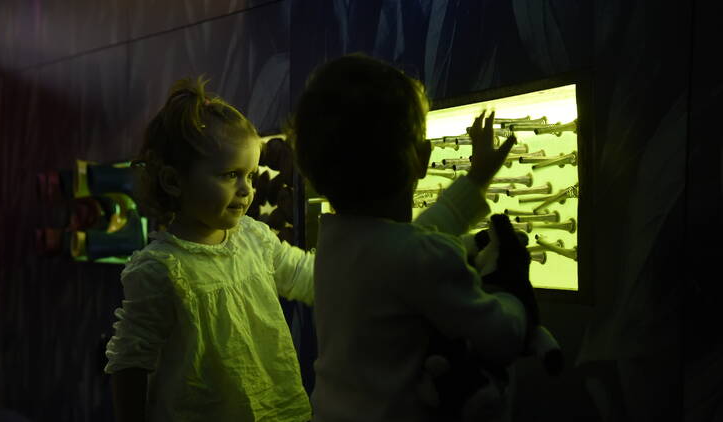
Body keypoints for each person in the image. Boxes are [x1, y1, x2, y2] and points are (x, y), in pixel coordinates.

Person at [286, 53, 538, 422]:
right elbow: (501, 335)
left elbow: (418, 237)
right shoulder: (415, 256)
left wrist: (477, 179)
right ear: (423, 157)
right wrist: (514, 292)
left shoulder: (337, 245)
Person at [104, 76, 315, 422]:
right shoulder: (161, 269)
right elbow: (129, 361)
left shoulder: (255, 238)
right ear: (174, 181)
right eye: (231, 175)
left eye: (250, 174)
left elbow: (305, 277)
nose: (247, 190)